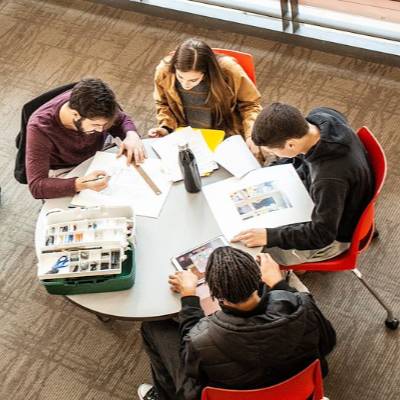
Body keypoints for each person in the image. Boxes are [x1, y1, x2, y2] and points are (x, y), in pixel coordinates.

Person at [138, 246, 336, 400]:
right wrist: (280, 284)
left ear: (216, 296)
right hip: (297, 390)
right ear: (259, 279)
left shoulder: (202, 339)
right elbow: (328, 343)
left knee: (153, 327)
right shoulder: (303, 304)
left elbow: (191, 369)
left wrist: (189, 296)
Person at [232, 103, 374, 266]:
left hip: (335, 237)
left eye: (273, 152)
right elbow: (299, 160)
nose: (273, 155)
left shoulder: (328, 179)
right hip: (338, 200)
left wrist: (268, 236)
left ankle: (296, 265)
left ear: (291, 144)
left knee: (256, 252)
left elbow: (322, 235)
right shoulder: (322, 116)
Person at [26, 78, 146, 199]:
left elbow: (121, 120)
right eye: (96, 125)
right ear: (75, 115)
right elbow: (37, 186)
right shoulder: (40, 127)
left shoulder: (97, 107)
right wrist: (81, 184)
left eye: (104, 125)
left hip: (99, 153)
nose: (101, 130)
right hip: (64, 167)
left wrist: (132, 134)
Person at [148, 38, 262, 158]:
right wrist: (166, 127)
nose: (185, 85)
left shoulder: (229, 70)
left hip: (227, 133)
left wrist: (251, 135)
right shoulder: (164, 70)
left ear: (207, 72)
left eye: (193, 80)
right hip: (187, 136)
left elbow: (250, 104)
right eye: (180, 77)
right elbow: (162, 103)